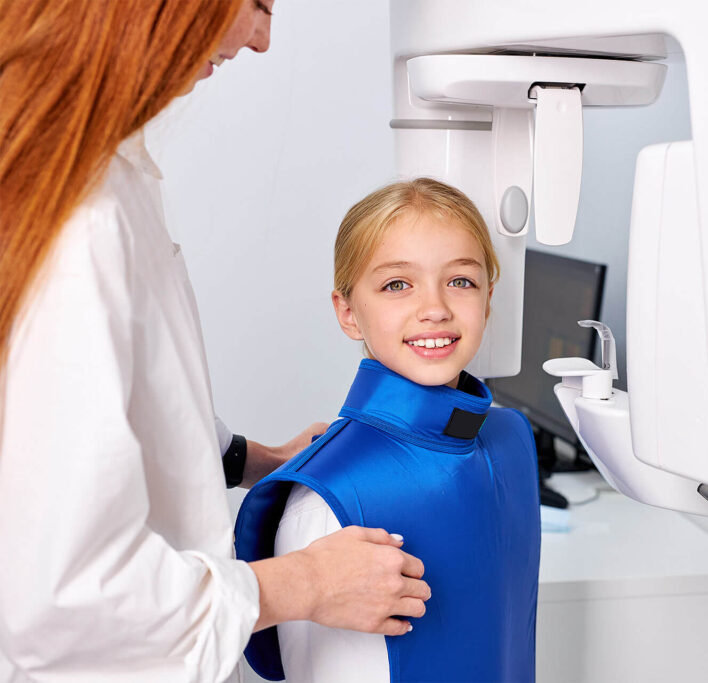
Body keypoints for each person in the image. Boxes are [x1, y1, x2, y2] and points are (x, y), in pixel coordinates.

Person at [0, 2, 429, 681]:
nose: (262, 39)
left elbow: (107, 416)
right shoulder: (81, 222)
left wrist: (255, 457)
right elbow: (67, 605)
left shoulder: (107, 174)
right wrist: (306, 581)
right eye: (256, 4)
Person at [234, 178, 542, 682]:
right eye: (397, 284)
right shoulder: (329, 502)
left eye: (460, 280)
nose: (435, 307)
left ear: (488, 298)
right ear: (349, 312)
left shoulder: (510, 440)